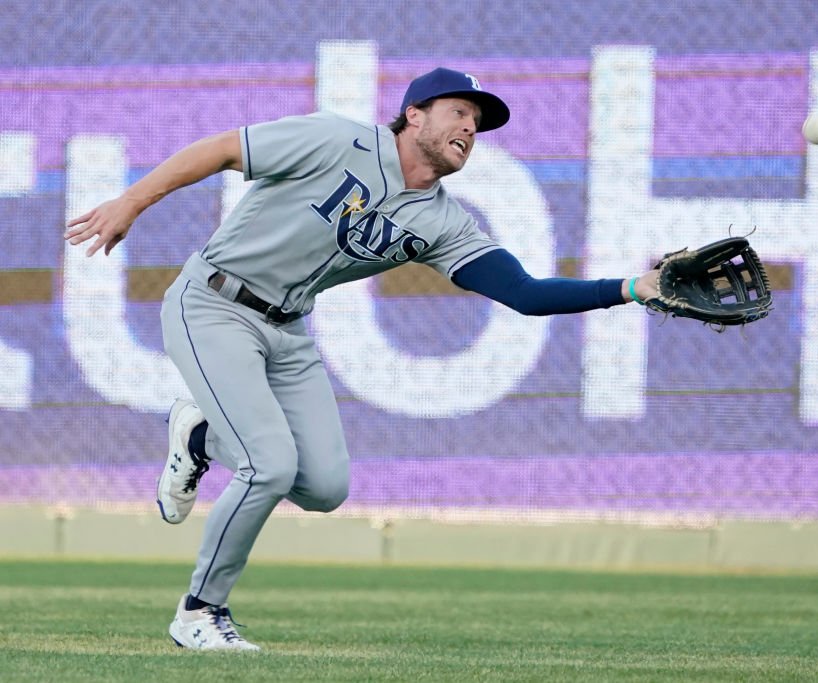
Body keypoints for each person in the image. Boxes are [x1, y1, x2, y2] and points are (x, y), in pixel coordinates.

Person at [65, 67, 661, 651]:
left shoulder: (443, 221)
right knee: (268, 466)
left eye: (478, 123)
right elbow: (223, 150)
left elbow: (527, 294)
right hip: (215, 302)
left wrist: (632, 289)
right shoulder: (336, 139)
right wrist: (131, 202)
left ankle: (201, 441)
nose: (470, 129)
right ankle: (199, 613)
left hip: (288, 330)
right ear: (414, 114)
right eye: (459, 112)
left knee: (324, 488)